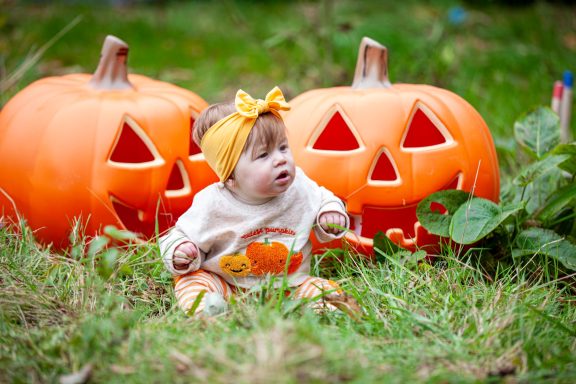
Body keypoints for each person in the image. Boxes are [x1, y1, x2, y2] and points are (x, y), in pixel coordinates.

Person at [159, 86, 349, 316]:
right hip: (228, 284)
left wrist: (329, 212)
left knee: (320, 288)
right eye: (263, 155)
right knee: (192, 281)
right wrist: (180, 251)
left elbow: (323, 199)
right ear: (231, 177)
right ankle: (208, 308)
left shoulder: (300, 186)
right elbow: (177, 235)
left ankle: (323, 308)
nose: (280, 159)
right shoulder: (212, 203)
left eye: (282, 147)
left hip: (289, 286)